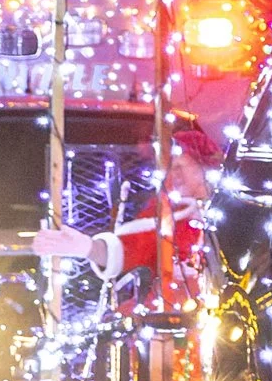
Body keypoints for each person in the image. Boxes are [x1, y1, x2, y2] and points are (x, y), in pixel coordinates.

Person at [32, 128, 219, 309]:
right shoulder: (164, 214)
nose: (174, 175)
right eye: (170, 168)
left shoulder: (226, 210)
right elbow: (129, 250)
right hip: (175, 317)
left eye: (180, 166)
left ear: (203, 166)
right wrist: (88, 247)